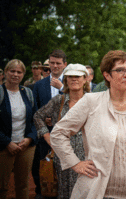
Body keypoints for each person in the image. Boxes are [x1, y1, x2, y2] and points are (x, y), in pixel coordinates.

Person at [50, 50, 126, 199]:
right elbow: (58, 133)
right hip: (101, 192)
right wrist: (76, 163)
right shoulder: (91, 102)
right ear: (107, 75)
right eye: (120, 70)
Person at [34, 64, 89, 199]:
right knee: (63, 193)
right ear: (66, 80)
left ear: (85, 79)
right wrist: (48, 137)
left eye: (78, 76)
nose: (74, 79)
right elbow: (38, 116)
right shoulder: (59, 100)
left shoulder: (93, 101)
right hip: (62, 158)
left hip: (87, 158)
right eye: (70, 76)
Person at [32, 49, 67, 198]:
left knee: (65, 168)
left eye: (58, 63)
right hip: (45, 134)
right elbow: (36, 110)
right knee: (44, 167)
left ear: (65, 64)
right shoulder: (39, 85)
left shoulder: (71, 82)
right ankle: (44, 193)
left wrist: (62, 88)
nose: (55, 66)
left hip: (67, 134)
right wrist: (45, 119)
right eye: (52, 62)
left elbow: (78, 104)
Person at [0, 59, 37, 199]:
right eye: (12, 71)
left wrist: (29, 139)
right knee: (2, 186)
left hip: (25, 146)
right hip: (4, 147)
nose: (15, 74)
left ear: (23, 74)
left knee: (23, 184)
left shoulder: (27, 93)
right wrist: (7, 142)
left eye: (19, 72)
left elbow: (35, 119)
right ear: (5, 73)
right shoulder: (1, 92)